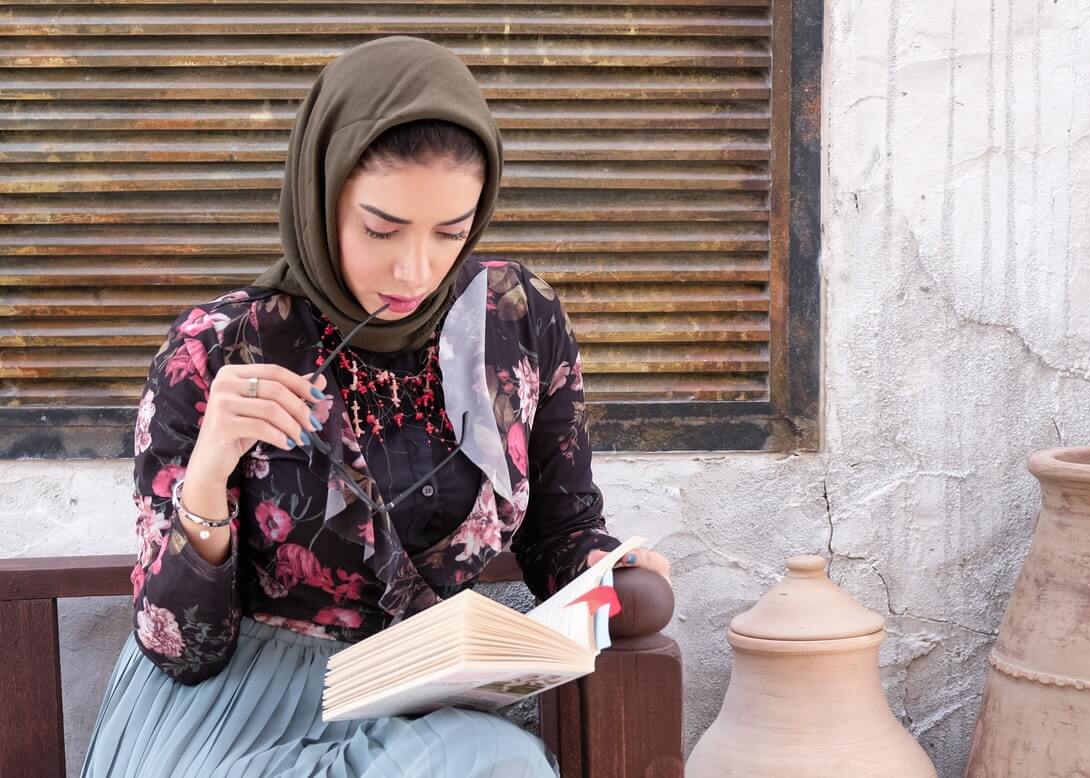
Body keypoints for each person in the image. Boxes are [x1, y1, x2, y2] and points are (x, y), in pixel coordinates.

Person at [80, 35, 671, 778]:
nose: (414, 269)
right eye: (380, 229)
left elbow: (562, 527)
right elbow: (180, 649)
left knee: (494, 762)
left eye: (451, 233)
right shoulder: (221, 348)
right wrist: (208, 476)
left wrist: (606, 569)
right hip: (235, 719)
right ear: (319, 191)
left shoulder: (519, 320)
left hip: (421, 706)